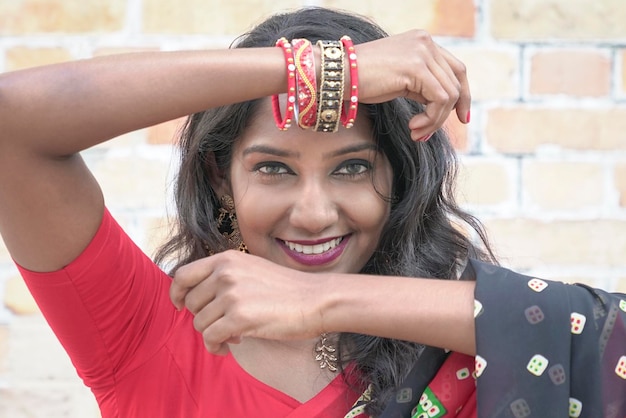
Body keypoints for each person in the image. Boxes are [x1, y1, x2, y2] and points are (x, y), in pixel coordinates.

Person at [0, 6, 624, 418]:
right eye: (273, 168)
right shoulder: (144, 332)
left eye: (352, 167)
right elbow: (11, 125)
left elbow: (606, 341)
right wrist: (327, 70)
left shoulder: (463, 344)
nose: (313, 212)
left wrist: (327, 303)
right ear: (222, 178)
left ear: (397, 178)